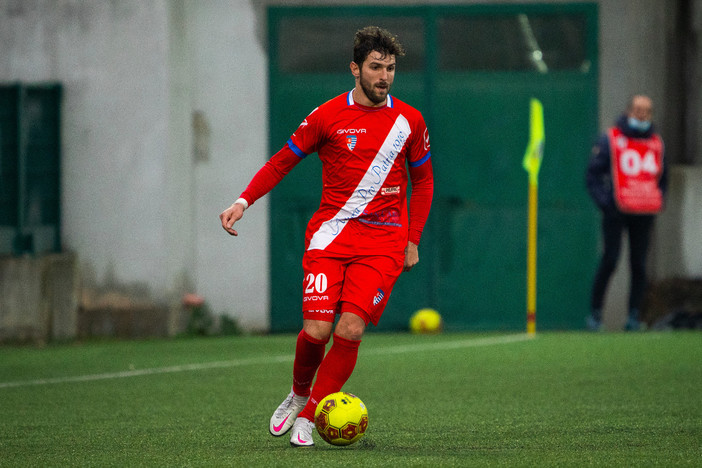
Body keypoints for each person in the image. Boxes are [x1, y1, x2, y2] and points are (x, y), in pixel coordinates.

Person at [219, 26, 433, 446]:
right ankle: (298, 394)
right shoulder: (326, 117)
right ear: (355, 68)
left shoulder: (410, 120)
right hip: (330, 238)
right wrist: (243, 201)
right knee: (317, 331)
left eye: (390, 69)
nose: (384, 76)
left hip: (384, 243)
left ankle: (312, 416)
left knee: (350, 330)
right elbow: (282, 162)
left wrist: (413, 239)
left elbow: (423, 182)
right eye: (375, 67)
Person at [585, 94, 667, 331]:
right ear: (628, 111)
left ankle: (633, 316)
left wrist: (657, 198)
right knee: (610, 260)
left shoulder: (656, 142)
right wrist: (606, 203)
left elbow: (663, 179)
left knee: (639, 264)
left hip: (644, 211)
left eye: (647, 111)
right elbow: (592, 175)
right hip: (617, 210)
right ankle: (595, 314)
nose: (642, 115)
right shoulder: (611, 139)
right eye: (638, 110)